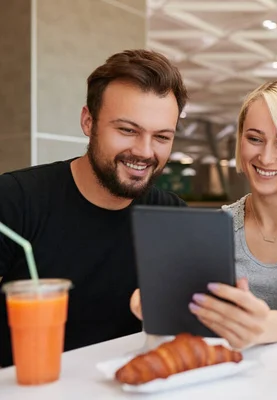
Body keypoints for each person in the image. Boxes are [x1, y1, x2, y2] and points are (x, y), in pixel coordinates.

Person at [130, 79, 277, 349]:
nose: (266, 156)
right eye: (255, 139)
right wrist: (155, 299)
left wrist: (258, 327)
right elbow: (191, 308)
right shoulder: (219, 225)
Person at [0, 49, 188, 367]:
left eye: (161, 137)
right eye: (127, 130)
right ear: (89, 122)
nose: (144, 151)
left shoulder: (174, 218)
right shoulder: (15, 199)